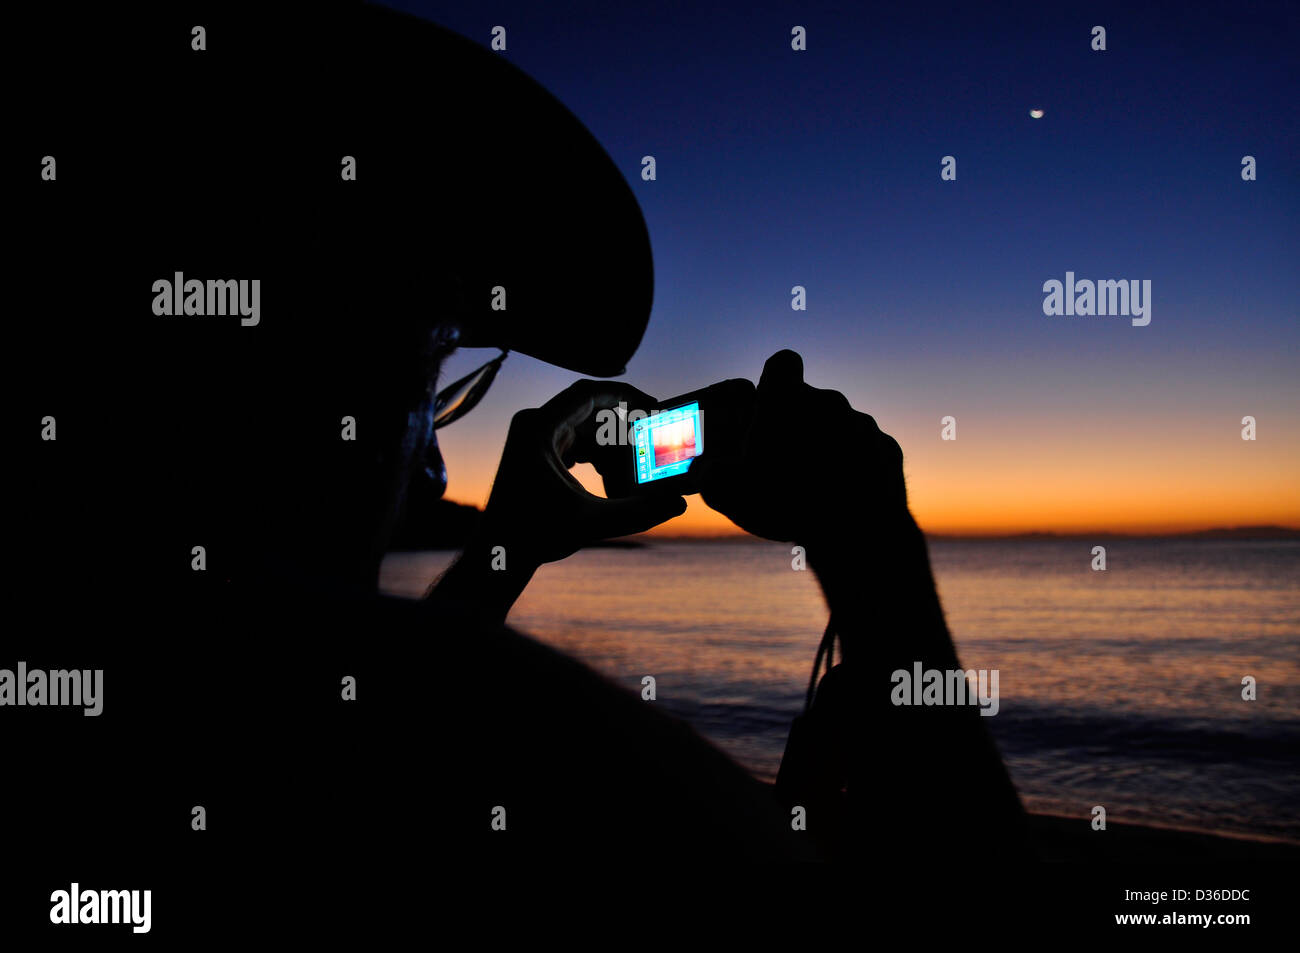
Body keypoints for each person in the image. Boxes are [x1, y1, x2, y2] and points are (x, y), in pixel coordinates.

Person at [11, 6, 1028, 936]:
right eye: (430, 367)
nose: (431, 468)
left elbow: (378, 741)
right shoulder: (532, 742)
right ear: (289, 364)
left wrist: (506, 549)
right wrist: (874, 555)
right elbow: (973, 918)